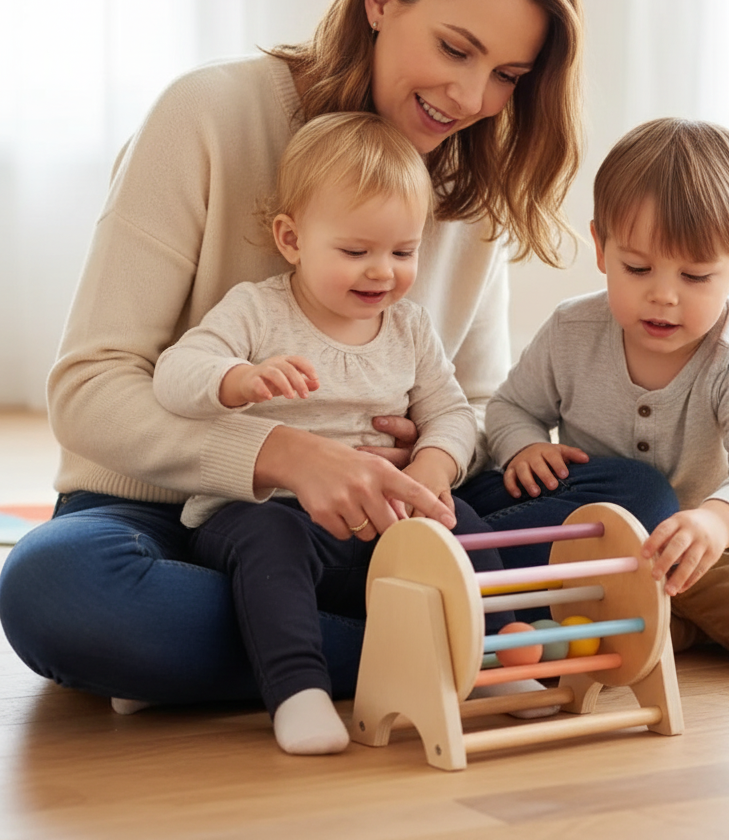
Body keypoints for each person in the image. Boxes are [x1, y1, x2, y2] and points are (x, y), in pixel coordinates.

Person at [0, 0, 678, 710]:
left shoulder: (469, 182)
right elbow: (89, 390)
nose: (470, 98)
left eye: (506, 75)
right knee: (56, 590)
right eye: (455, 49)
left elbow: (471, 405)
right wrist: (283, 454)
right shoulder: (209, 115)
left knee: (630, 501)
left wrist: (428, 458)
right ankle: (447, 644)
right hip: (178, 515)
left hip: (385, 521)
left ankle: (298, 639)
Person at [152, 111, 517, 754]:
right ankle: (298, 691)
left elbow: (455, 413)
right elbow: (175, 373)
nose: (382, 272)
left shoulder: (408, 327)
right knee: (267, 547)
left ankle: (497, 649)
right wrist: (238, 378)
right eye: (355, 252)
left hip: (383, 520)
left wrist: (432, 468)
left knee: (461, 521)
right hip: (274, 514)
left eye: (403, 252)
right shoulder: (257, 310)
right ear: (291, 239)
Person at [481, 118, 729, 671]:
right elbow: (509, 407)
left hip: (719, 546)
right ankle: (683, 626)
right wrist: (522, 445)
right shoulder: (572, 331)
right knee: (567, 643)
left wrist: (716, 521)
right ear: (600, 246)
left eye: (694, 277)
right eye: (637, 268)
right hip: (604, 551)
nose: (663, 296)